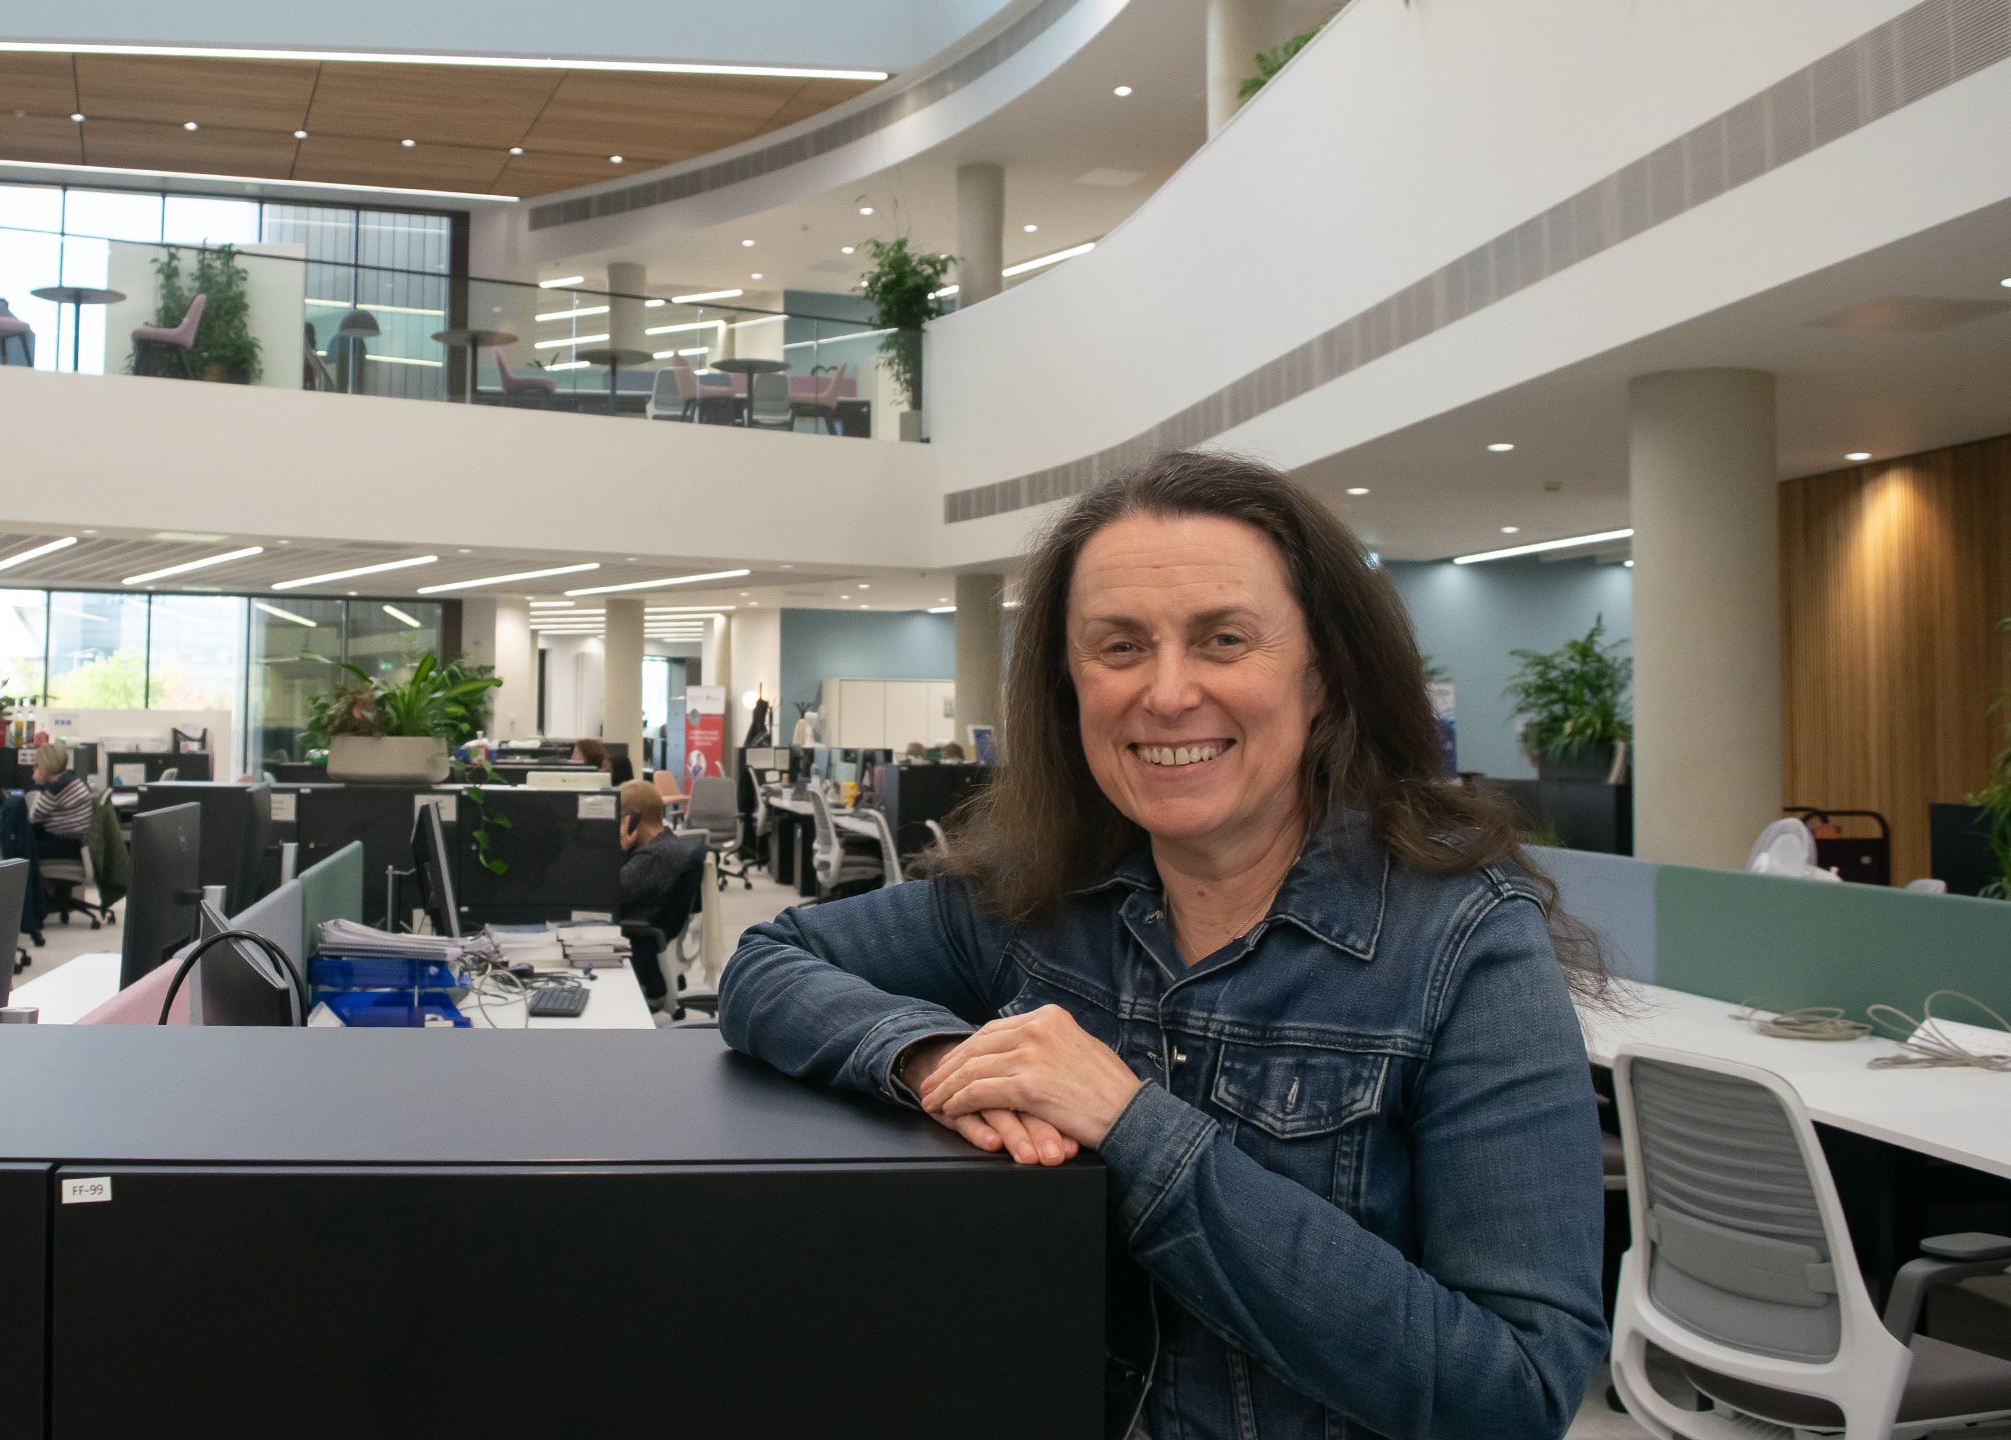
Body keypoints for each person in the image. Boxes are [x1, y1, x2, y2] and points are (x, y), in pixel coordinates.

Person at [718, 452, 1608, 1440]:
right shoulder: (1040, 894)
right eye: (1120, 647)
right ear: (1070, 686)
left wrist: (1131, 1128)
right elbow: (765, 965)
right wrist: (939, 1060)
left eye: (1223, 639)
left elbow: (1515, 1394)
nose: (1169, 693)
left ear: (1322, 676)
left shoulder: (1463, 945)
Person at [616, 778, 704, 1009]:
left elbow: (611, 892)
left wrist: (619, 849)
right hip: (642, 929)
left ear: (632, 819)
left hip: (635, 934)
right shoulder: (667, 843)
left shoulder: (654, 856)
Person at [25, 740, 93, 861]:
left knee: (22, 850)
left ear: (45, 766)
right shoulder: (72, 781)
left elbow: (33, 819)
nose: (34, 770)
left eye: (36, 766)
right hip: (80, 844)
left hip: (67, 845)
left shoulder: (55, 791)